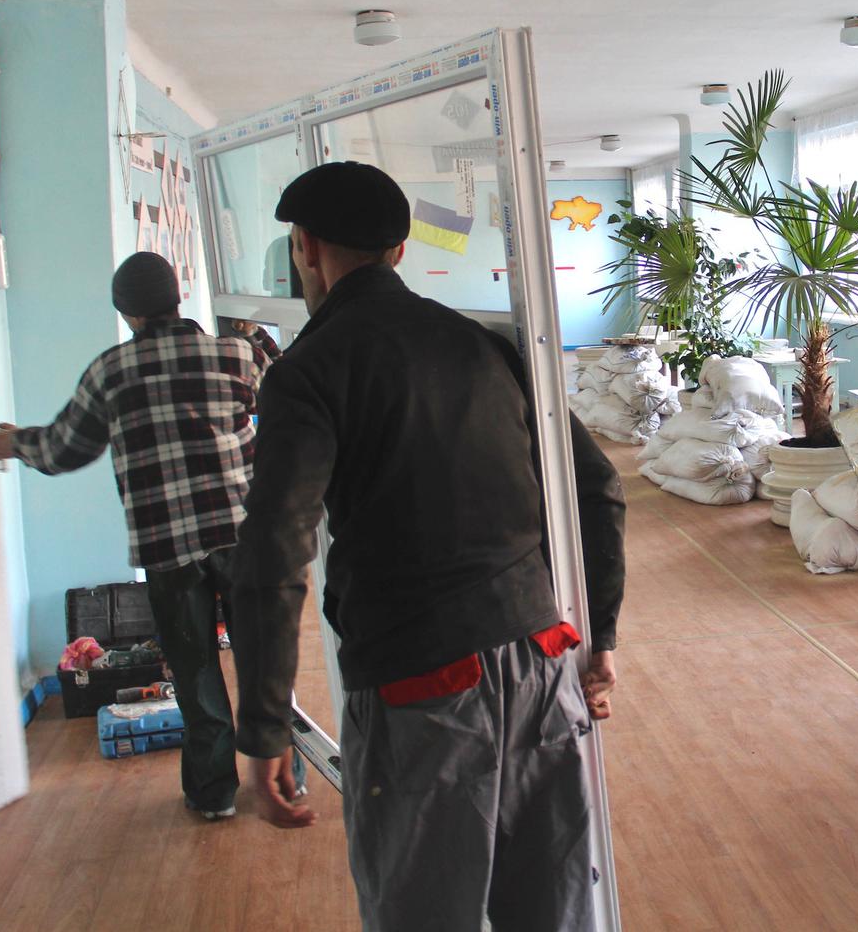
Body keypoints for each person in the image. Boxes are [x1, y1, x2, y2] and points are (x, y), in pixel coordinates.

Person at [231, 161, 627, 931]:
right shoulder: (484, 346)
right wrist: (599, 635)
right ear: (401, 252)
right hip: (540, 653)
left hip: (421, 684)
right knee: (552, 905)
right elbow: (599, 488)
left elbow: (275, 557)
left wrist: (263, 728)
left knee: (422, 906)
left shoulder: (307, 370)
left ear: (304, 248)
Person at [0, 251, 300, 820]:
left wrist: (13, 443)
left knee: (196, 672)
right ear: (179, 294)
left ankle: (213, 796)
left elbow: (64, 449)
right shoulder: (235, 353)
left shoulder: (110, 371)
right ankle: (285, 780)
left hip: (167, 550)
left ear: (126, 314)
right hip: (244, 535)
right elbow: (289, 404)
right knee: (263, 660)